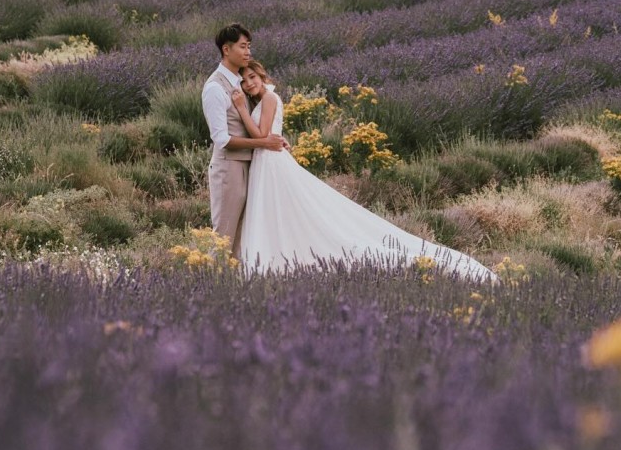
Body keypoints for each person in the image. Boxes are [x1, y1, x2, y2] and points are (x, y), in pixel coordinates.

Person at [232, 59, 497, 282]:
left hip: (271, 162)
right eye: (244, 81)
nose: (250, 83)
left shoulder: (268, 98)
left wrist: (242, 110)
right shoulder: (264, 100)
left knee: (290, 211)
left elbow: (262, 135)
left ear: (262, 75)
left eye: (253, 77)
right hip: (267, 162)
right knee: (281, 211)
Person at [201, 25, 288, 256]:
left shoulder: (242, 83)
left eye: (249, 46)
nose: (248, 52)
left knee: (243, 235)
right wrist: (264, 143)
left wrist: (276, 138)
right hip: (228, 168)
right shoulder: (214, 88)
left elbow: (258, 124)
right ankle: (211, 283)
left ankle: (234, 285)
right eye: (242, 46)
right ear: (226, 49)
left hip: (250, 165)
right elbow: (221, 139)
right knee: (224, 235)